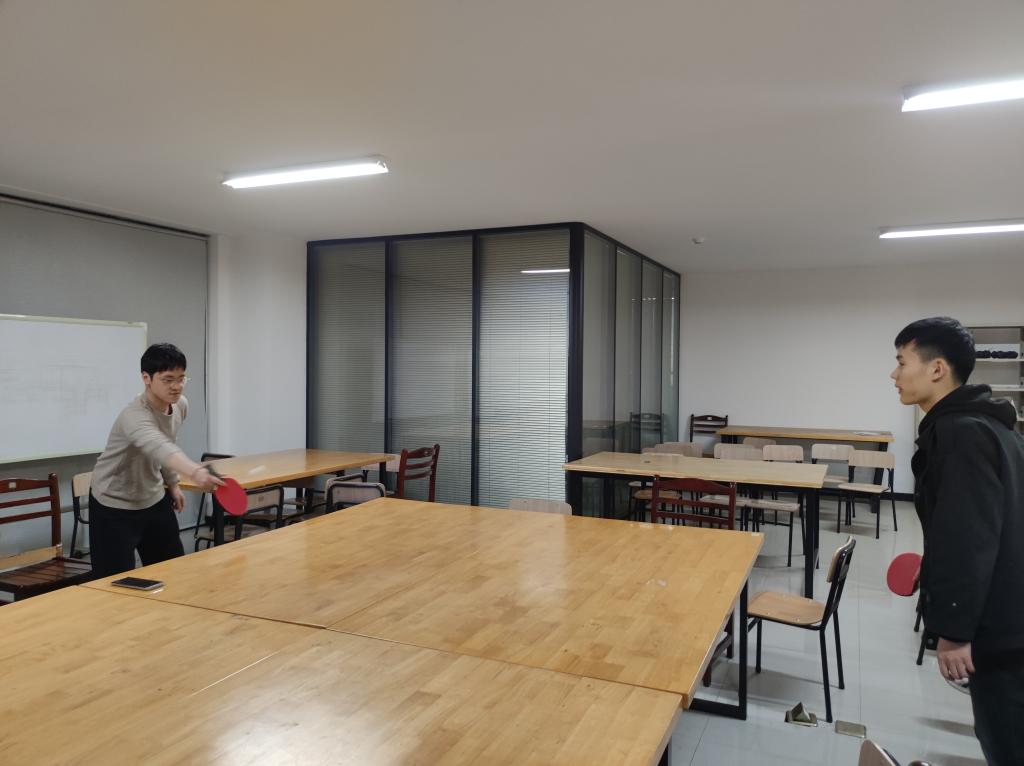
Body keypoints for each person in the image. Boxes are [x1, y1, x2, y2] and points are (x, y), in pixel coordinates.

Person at [891, 317, 1024, 765]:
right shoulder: (990, 426)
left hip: (1002, 630)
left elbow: (968, 539)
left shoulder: (959, 433)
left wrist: (954, 631)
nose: (894, 374)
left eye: (901, 362)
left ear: (936, 369)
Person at [89, 343, 222, 578]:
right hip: (113, 504)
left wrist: (173, 484)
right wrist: (195, 472)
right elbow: (159, 447)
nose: (177, 386)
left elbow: (168, 441)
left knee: (172, 574)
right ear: (146, 378)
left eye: (181, 378)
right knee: (113, 583)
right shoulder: (134, 416)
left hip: (153, 497)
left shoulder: (180, 405)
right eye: (168, 379)